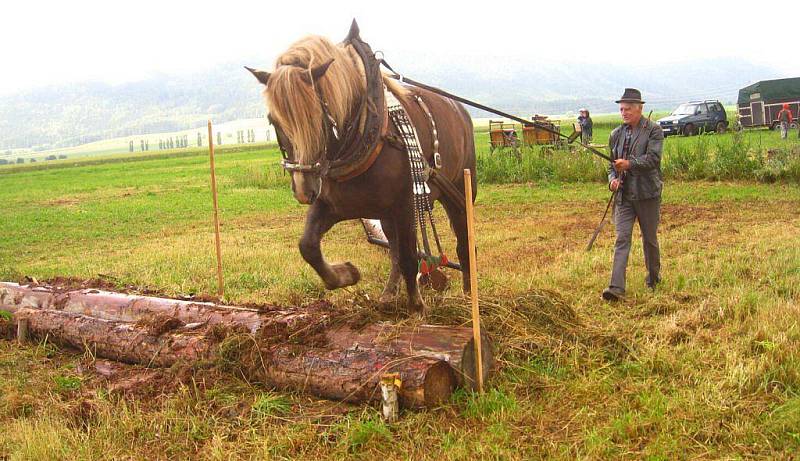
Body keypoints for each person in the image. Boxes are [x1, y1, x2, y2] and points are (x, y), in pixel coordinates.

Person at [602, 88, 664, 301]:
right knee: (622, 239)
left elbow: (653, 160)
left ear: (639, 108)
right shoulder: (615, 135)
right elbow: (611, 165)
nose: (624, 112)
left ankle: (654, 278)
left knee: (649, 239)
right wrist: (612, 180)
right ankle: (616, 288)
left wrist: (628, 164)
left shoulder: (654, 131)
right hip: (624, 197)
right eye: (621, 109)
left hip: (647, 194)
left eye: (628, 109)